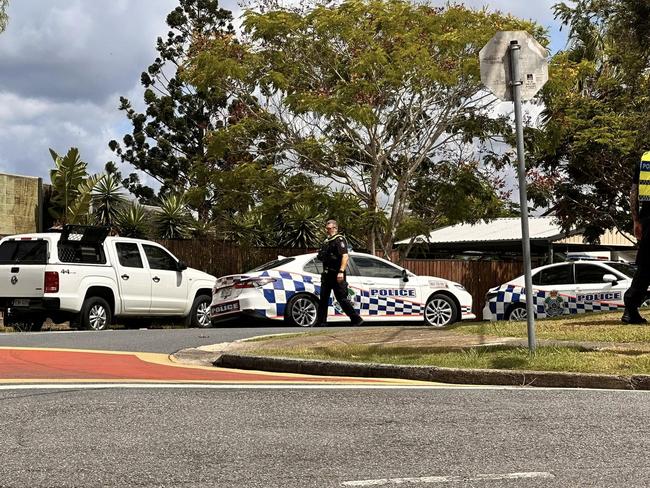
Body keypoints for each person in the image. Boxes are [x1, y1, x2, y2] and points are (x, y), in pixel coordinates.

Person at [315, 220, 364, 327]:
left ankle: (356, 319)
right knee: (323, 298)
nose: (327, 230)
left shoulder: (339, 240)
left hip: (337, 273)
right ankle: (321, 322)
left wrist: (341, 271)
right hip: (327, 274)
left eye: (329, 228)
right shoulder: (326, 241)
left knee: (341, 298)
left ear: (335, 228)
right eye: (326, 228)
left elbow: (345, 256)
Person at [622, 151, 650, 324]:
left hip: (648, 217)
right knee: (647, 265)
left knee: (647, 265)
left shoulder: (645, 159)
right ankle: (630, 306)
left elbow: (634, 192)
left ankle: (631, 306)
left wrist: (636, 220)